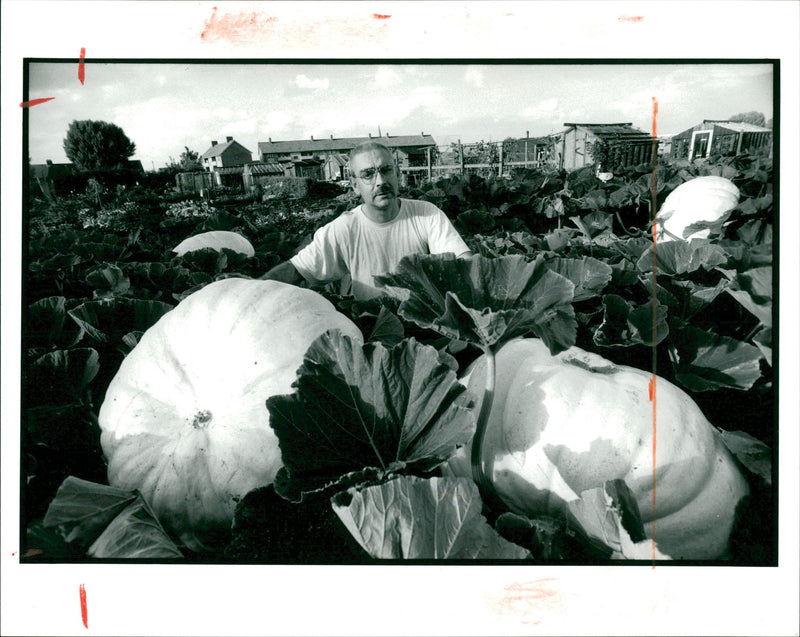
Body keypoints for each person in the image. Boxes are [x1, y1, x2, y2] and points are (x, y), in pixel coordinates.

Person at [261, 141, 472, 300]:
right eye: (368, 175)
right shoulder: (344, 229)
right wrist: (250, 289)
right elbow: (296, 270)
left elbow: (465, 263)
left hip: (430, 327)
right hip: (376, 332)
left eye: (386, 170)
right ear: (354, 185)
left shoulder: (427, 214)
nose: (380, 181)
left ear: (397, 173)